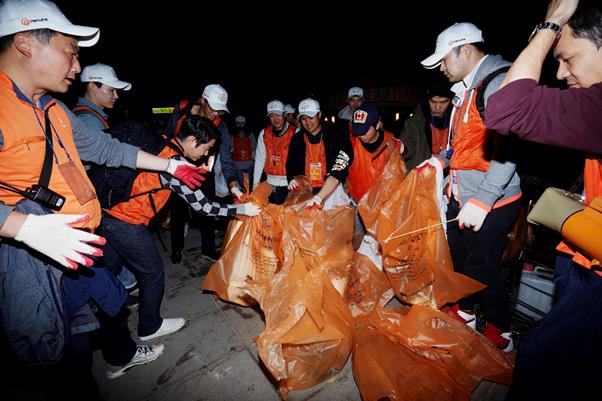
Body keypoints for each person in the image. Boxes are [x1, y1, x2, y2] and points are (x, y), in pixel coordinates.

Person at [0, 0, 204, 397]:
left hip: (74, 250)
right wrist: (22, 227)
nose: (76, 67)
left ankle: (117, 357)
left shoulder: (53, 109)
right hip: (28, 265)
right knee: (52, 358)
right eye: (70, 53)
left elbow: (108, 150)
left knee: (85, 338)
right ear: (25, 44)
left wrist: (170, 167)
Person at [484, 1, 602, 399]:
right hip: (583, 258)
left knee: (539, 366)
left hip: (595, 276)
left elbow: (506, 109)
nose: (559, 72)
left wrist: (551, 25)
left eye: (567, 58)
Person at [101, 115, 261, 342]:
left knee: (105, 273)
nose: (206, 154)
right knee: (152, 272)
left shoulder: (164, 142)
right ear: (193, 140)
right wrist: (241, 209)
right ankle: (149, 326)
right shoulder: (174, 165)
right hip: (127, 222)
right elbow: (205, 207)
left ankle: (95, 320)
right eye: (206, 149)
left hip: (108, 216)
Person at [421, 21, 522, 351]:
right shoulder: (464, 91)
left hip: (491, 201)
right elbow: (463, 144)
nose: (441, 67)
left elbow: (509, 149)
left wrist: (484, 200)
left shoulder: (498, 82)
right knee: (460, 261)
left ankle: (501, 330)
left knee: (483, 268)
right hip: (462, 195)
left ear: (465, 50)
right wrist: (440, 160)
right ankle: (465, 311)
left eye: (444, 59)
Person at [73, 62, 137, 291]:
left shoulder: (92, 116)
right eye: (111, 90)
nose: (116, 96)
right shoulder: (88, 121)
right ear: (92, 86)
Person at [164, 84, 240, 262]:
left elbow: (226, 159)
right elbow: (167, 134)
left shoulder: (220, 125)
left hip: (205, 170)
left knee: (209, 210)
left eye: (220, 111)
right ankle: (177, 249)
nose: (216, 114)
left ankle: (208, 248)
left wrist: (233, 185)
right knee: (178, 210)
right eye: (213, 108)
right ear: (202, 100)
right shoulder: (183, 109)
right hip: (179, 169)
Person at [286, 98, 353, 208]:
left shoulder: (336, 135)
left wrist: (320, 196)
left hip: (332, 190)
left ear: (319, 114)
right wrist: (293, 179)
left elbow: (341, 165)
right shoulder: (297, 139)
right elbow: (291, 164)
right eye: (303, 118)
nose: (308, 123)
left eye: (311, 117)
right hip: (306, 191)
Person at [347, 104, 401, 203]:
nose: (361, 136)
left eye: (365, 130)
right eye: (358, 131)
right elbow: (337, 170)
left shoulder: (390, 142)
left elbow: (396, 176)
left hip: (383, 203)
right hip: (358, 201)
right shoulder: (351, 144)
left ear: (377, 125)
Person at [398, 78, 453, 170]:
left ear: (451, 101)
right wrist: (403, 149)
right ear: (427, 100)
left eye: (443, 102)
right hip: (422, 175)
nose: (438, 107)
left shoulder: (457, 119)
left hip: (448, 174)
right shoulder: (415, 121)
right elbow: (408, 144)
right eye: (433, 101)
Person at [252, 100, 297, 204]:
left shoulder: (295, 132)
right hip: (269, 183)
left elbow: (301, 159)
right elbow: (260, 159)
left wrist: (297, 178)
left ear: (285, 114)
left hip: (290, 184)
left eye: (278, 115)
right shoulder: (264, 133)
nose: (275, 119)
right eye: (272, 116)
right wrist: (255, 184)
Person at [231, 115, 256, 191]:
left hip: (249, 163)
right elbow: (229, 148)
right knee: (241, 184)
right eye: (238, 123)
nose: (240, 125)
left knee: (249, 184)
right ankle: (242, 199)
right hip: (237, 164)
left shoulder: (250, 135)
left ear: (245, 123)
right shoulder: (232, 135)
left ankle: (250, 199)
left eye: (242, 123)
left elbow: (254, 147)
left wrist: (254, 159)